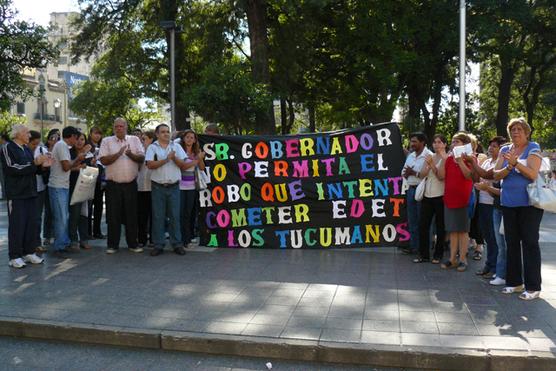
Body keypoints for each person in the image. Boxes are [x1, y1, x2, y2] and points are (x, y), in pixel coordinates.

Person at [493, 118, 544, 300]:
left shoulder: (533, 147)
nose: (515, 132)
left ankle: (533, 287)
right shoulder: (505, 149)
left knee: (530, 243)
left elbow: (532, 174)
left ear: (526, 132)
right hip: (508, 202)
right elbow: (495, 175)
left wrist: (516, 164)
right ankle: (514, 283)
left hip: (529, 204)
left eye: (519, 129)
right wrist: (509, 165)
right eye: (513, 129)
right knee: (511, 243)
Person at [1, 125, 48, 268]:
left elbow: (32, 170)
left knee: (31, 224)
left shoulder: (27, 149)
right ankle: (14, 256)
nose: (29, 135)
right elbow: (12, 168)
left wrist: (42, 166)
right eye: (26, 132)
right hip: (16, 194)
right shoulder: (7, 148)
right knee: (17, 225)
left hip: (31, 192)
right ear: (18, 134)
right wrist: (34, 164)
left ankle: (29, 252)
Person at [99, 117, 145, 254]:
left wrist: (130, 154)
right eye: (116, 126)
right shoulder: (107, 141)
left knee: (131, 215)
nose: (119, 128)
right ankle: (112, 245)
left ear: (126, 127)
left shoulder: (134, 140)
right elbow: (103, 160)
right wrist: (118, 154)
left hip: (130, 184)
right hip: (113, 185)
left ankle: (133, 244)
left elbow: (142, 158)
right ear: (114, 128)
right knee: (113, 215)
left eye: (121, 126)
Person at [465, 136, 506, 280]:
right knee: (488, 237)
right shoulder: (487, 161)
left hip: (492, 204)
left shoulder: (501, 163)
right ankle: (488, 265)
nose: (490, 148)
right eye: (490, 145)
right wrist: (472, 163)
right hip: (482, 202)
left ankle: (495, 268)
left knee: (495, 239)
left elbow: (488, 175)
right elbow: (477, 177)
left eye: (495, 146)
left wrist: (474, 163)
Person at [146, 124, 189, 256]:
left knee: (175, 216)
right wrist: (166, 159)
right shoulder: (152, 147)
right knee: (158, 217)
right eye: (163, 132)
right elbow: (150, 164)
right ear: (157, 134)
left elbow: (183, 165)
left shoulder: (176, 146)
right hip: (158, 187)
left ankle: (177, 244)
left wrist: (174, 157)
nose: (166, 134)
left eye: (168, 131)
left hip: (174, 187)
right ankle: (158, 244)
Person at [48, 126, 83, 258]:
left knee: (64, 217)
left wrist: (76, 165)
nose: (77, 141)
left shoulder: (63, 146)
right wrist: (78, 159)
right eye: (76, 137)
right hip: (58, 187)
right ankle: (59, 247)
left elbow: (65, 168)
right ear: (72, 136)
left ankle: (63, 243)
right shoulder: (62, 146)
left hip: (62, 186)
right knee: (61, 218)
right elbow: (66, 166)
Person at [441, 132, 474, 272]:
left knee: (463, 230)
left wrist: (461, 161)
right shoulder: (448, 160)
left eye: (457, 142)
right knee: (453, 230)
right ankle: (452, 258)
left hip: (464, 199)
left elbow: (469, 175)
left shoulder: (471, 159)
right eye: (453, 142)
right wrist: (444, 158)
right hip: (449, 198)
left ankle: (463, 259)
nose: (454, 144)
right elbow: (442, 176)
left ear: (465, 145)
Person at [414, 134, 447, 264]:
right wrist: (427, 166)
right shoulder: (430, 157)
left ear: (444, 144)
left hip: (440, 196)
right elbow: (422, 175)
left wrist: (432, 165)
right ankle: (424, 254)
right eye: (434, 142)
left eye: (439, 142)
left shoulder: (446, 158)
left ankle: (438, 254)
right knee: (423, 225)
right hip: (427, 196)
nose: (436, 145)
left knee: (440, 227)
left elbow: (441, 176)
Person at [401, 132, 432, 255]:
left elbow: (425, 174)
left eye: (414, 141)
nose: (412, 144)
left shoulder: (429, 155)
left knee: (423, 221)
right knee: (412, 220)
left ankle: (424, 248)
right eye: (411, 141)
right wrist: (410, 172)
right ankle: (414, 246)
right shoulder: (411, 155)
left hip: (423, 191)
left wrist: (412, 172)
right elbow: (403, 172)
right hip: (411, 189)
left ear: (422, 142)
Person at [178, 130, 205, 248]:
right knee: (179, 213)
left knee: (188, 213)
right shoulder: (179, 151)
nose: (189, 139)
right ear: (183, 139)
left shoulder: (196, 152)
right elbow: (182, 167)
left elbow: (202, 168)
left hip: (191, 187)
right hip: (179, 186)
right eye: (187, 137)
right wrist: (196, 160)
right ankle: (180, 238)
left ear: (195, 140)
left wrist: (199, 158)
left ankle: (187, 238)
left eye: (192, 138)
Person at [69, 133, 94, 250]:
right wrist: (78, 165)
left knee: (84, 215)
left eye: (82, 139)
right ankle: (73, 240)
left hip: (85, 187)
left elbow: (91, 169)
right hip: (73, 187)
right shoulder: (70, 153)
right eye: (78, 139)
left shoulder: (89, 154)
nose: (80, 142)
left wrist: (92, 164)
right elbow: (66, 168)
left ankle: (84, 239)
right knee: (74, 215)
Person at [28, 130, 52, 253]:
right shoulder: (23, 152)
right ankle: (28, 243)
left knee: (37, 217)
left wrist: (44, 165)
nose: (36, 146)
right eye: (33, 144)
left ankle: (36, 243)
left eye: (38, 143)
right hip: (26, 189)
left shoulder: (42, 150)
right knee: (29, 218)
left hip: (40, 187)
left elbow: (46, 167)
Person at [42, 129, 60, 246]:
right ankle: (47, 235)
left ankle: (55, 234)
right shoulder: (44, 151)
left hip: (58, 183)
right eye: (53, 138)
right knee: (48, 211)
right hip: (47, 184)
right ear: (48, 140)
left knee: (57, 211)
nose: (56, 140)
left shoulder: (61, 150)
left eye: (58, 138)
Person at [137, 130, 155, 248]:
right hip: (141, 187)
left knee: (154, 215)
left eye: (144, 139)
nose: (141, 141)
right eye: (141, 139)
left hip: (153, 186)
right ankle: (142, 238)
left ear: (151, 139)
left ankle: (153, 238)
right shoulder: (139, 151)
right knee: (142, 215)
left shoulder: (156, 151)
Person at [88, 126, 105, 239]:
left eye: (99, 133)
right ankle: (88, 232)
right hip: (89, 179)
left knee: (99, 206)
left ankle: (97, 231)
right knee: (89, 208)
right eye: (95, 133)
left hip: (100, 180)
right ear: (90, 134)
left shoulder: (103, 146)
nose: (97, 135)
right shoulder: (87, 147)